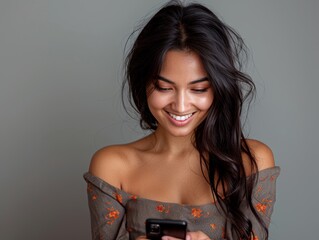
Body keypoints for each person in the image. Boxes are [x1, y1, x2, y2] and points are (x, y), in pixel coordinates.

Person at [84, 1, 280, 239]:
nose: (181, 105)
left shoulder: (252, 162)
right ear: (143, 82)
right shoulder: (112, 167)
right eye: (164, 87)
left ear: (219, 88)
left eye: (198, 89)